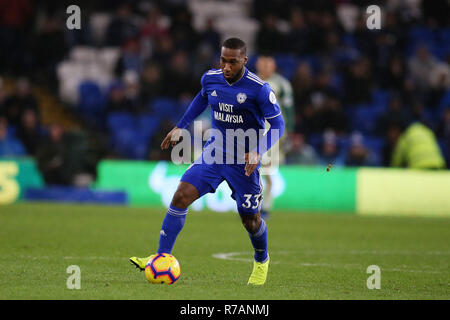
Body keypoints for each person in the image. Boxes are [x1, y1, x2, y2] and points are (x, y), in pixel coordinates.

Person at [130, 38, 285, 285]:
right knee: (180, 196)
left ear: (244, 60)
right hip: (214, 154)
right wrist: (181, 126)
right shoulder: (210, 78)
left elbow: (278, 124)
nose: (226, 66)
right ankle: (162, 256)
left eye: (232, 62)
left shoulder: (260, 89)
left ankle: (261, 259)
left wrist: (258, 151)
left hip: (244, 163)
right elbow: (202, 99)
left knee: (250, 219)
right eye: (223, 60)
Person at [255, 54, 294, 219]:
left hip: (273, 134)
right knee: (252, 171)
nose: (265, 67)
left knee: (267, 170)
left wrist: (289, 132)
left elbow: (289, 110)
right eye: (262, 64)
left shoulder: (282, 84)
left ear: (274, 66)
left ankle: (265, 208)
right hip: (252, 132)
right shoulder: (249, 81)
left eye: (268, 64)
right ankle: (253, 207)